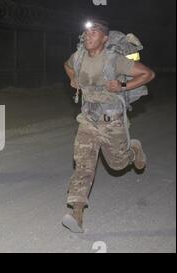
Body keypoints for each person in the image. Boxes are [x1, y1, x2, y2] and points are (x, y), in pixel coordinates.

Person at [62, 19, 155, 232]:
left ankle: (134, 149)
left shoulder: (115, 60)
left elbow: (148, 74)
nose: (88, 35)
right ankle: (76, 216)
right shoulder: (79, 57)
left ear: (105, 38)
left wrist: (122, 85)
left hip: (112, 122)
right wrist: (73, 77)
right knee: (83, 166)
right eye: (86, 32)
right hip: (87, 120)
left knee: (118, 164)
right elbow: (66, 65)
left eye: (94, 32)